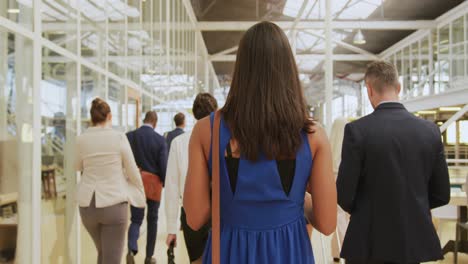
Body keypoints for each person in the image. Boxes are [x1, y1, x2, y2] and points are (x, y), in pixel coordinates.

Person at [183, 21, 337, 264]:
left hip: (230, 252)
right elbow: (327, 224)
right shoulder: (313, 134)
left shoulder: (206, 130)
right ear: (288, 69)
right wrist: (300, 201)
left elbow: (194, 217)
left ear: (241, 69)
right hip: (290, 252)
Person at [336, 61, 450, 264]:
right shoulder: (429, 131)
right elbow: (441, 194)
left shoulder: (357, 131)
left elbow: (344, 195)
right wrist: (412, 206)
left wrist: (366, 211)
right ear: (399, 87)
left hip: (368, 242)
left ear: (369, 90)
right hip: (411, 243)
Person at [75, 98, 145, 264]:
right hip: (113, 203)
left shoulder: (81, 139)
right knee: (112, 258)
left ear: (92, 118)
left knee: (103, 253)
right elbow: (132, 169)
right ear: (109, 116)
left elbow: (76, 166)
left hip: (87, 206)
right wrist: (140, 193)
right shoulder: (118, 137)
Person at [165, 93, 218, 264]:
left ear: (194, 114)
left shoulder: (179, 143)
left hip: (190, 213)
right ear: (216, 112)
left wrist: (171, 228)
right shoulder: (224, 139)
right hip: (219, 212)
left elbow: (171, 187)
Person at [126, 111, 168, 264]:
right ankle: (149, 257)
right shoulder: (159, 140)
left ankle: (131, 248)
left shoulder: (130, 136)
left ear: (144, 120)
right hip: (153, 185)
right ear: (155, 122)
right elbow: (163, 166)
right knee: (153, 220)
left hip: (136, 182)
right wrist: (163, 182)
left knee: (136, 219)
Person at [329, 117, 349, 262]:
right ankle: (345, 249)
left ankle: (336, 251)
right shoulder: (349, 143)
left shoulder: (330, 143)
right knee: (344, 216)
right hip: (343, 178)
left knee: (339, 215)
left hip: (332, 178)